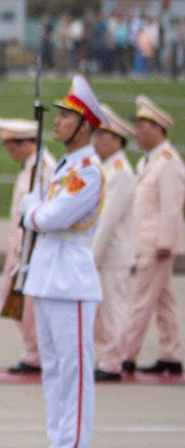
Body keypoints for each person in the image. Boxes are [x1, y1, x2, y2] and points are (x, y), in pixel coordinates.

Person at [14, 76, 106, 448]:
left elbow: (52, 218)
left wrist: (30, 212)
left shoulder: (88, 171)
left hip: (72, 278)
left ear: (84, 125)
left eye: (66, 116)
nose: (56, 122)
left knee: (75, 370)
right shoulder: (66, 166)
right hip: (49, 275)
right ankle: (56, 445)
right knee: (52, 368)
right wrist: (35, 212)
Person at [124, 97, 184, 376]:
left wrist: (165, 242)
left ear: (158, 129)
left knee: (142, 300)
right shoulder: (151, 161)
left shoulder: (168, 162)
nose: (137, 133)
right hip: (148, 241)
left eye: (142, 127)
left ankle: (124, 355)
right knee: (163, 301)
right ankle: (171, 355)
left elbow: (172, 206)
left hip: (157, 244)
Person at [0, 118, 53, 377]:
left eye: (14, 144)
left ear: (29, 142)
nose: (10, 150)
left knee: (28, 303)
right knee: (13, 297)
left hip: (33, 247)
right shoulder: (29, 167)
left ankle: (37, 353)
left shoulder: (43, 169)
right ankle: (34, 350)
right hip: (20, 246)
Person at [88, 105, 136, 382]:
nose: (97, 142)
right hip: (103, 254)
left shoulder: (120, 172)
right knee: (101, 310)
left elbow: (107, 221)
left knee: (111, 310)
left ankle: (113, 360)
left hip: (111, 254)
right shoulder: (106, 169)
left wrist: (91, 256)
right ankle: (108, 357)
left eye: (102, 137)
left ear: (116, 140)